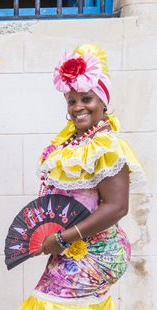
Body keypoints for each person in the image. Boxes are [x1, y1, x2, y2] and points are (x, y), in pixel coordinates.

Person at [19, 44, 146, 309]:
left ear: (102, 101)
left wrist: (63, 238)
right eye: (72, 101)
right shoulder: (71, 144)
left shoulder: (106, 145)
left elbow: (117, 207)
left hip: (97, 251)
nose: (78, 107)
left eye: (86, 99)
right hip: (70, 246)